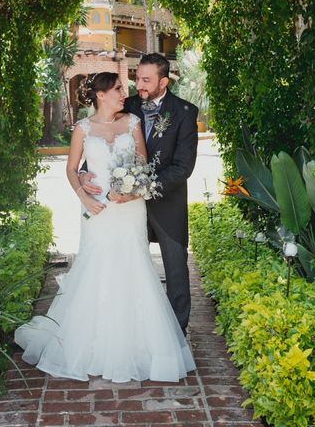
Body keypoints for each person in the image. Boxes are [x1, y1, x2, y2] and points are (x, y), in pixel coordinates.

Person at [15, 72, 195, 383]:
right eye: (117, 89)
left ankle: (140, 346)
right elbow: (71, 169)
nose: (124, 94)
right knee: (97, 268)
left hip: (129, 208)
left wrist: (133, 191)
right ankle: (92, 344)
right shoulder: (83, 129)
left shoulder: (132, 123)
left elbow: (142, 163)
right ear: (101, 95)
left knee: (134, 267)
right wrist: (83, 196)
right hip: (98, 210)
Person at [80, 54, 198, 336]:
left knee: (176, 269)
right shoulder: (127, 104)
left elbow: (183, 167)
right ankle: (132, 327)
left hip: (166, 203)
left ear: (164, 81)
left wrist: (140, 189)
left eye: (146, 80)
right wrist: (85, 171)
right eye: (137, 78)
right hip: (124, 210)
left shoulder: (184, 112)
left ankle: (176, 333)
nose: (138, 85)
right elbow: (103, 139)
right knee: (127, 264)